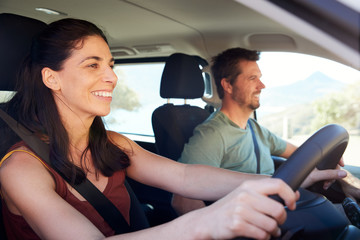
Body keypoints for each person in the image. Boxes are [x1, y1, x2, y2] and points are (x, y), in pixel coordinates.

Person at [0, 19, 347, 240]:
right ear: (51, 78)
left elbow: (184, 177)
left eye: (110, 64)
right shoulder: (21, 169)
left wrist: (281, 179)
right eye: (93, 65)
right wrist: (205, 222)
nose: (111, 76)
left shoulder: (111, 143)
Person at [172, 47, 360, 215]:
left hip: (278, 209)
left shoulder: (256, 129)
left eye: (260, 78)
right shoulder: (212, 134)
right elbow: (183, 199)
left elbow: (305, 157)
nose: (262, 86)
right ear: (228, 85)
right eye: (252, 78)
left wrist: (345, 180)